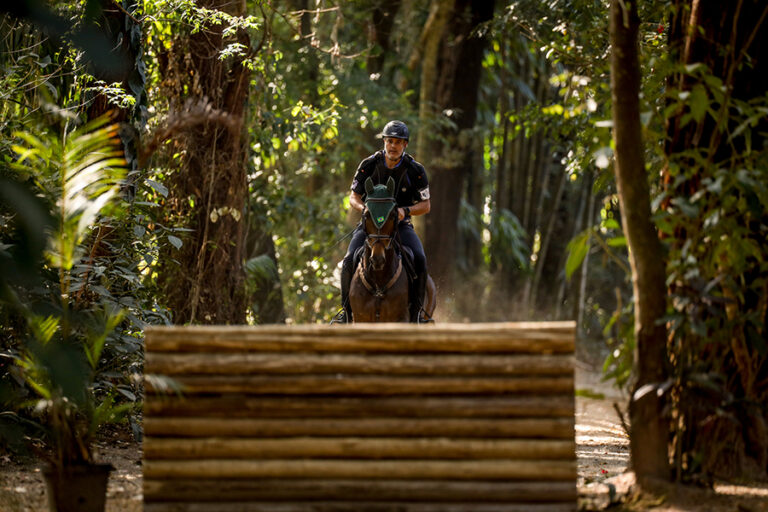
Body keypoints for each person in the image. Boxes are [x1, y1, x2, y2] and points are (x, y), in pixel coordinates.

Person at [332, 120, 432, 323]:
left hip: (400, 225)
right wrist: (363, 209)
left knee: (420, 259)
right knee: (350, 259)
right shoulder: (368, 165)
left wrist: (405, 211)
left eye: (397, 142)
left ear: (405, 145)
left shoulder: (416, 170)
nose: (392, 146)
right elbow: (353, 196)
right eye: (389, 141)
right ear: (384, 142)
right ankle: (345, 313)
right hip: (370, 226)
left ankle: (417, 316)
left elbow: (426, 205)